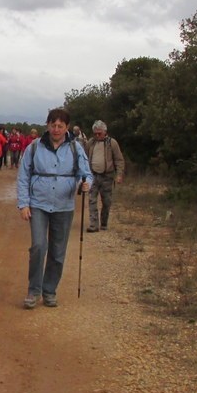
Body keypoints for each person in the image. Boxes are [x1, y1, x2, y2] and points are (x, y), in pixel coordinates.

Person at [16, 107, 91, 310]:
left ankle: (49, 291)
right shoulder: (33, 147)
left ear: (67, 127)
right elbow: (23, 176)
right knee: (39, 246)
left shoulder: (76, 148)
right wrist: (23, 203)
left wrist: (86, 184)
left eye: (60, 126)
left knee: (58, 251)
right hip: (38, 203)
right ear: (47, 125)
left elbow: (85, 173)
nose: (56, 129)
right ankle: (34, 290)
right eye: (53, 125)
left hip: (64, 205)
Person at [84, 120, 125, 231]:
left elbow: (119, 160)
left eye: (99, 133)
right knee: (92, 200)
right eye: (95, 133)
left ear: (105, 132)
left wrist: (119, 174)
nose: (97, 136)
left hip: (107, 176)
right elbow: (84, 158)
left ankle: (104, 223)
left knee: (106, 201)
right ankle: (94, 225)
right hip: (93, 176)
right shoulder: (90, 143)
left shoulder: (112, 143)